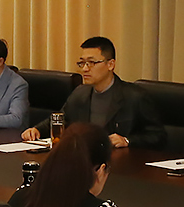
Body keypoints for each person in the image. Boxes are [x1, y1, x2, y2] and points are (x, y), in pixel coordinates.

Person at [21, 37, 164, 148]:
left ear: (110, 64)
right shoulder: (81, 92)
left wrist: (127, 140)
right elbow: (62, 119)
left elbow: (158, 136)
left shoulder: (134, 97)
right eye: (82, 63)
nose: (85, 69)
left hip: (123, 165)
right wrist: (36, 130)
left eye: (91, 63)